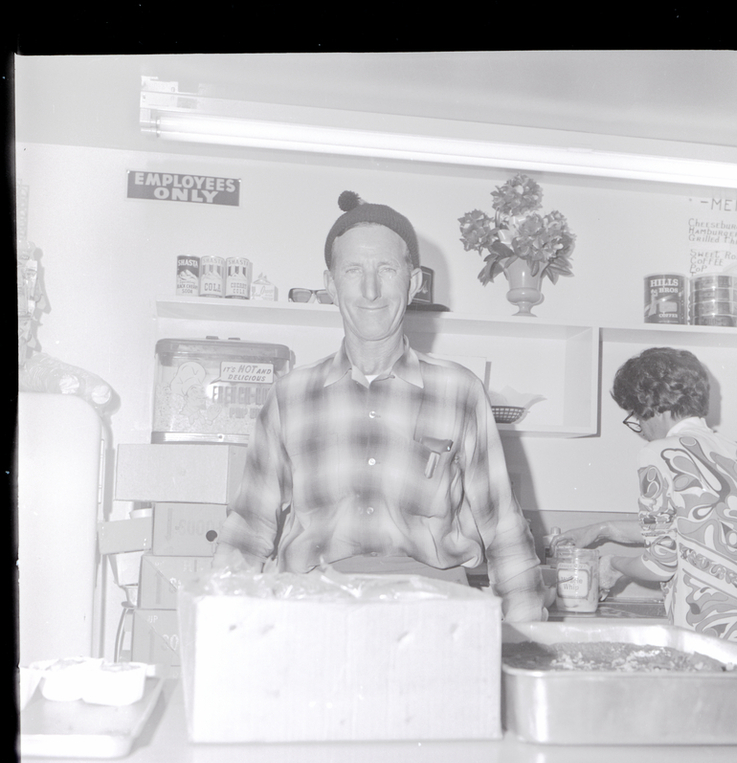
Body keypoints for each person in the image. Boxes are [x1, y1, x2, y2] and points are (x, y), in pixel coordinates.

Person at [213, 191, 545, 624]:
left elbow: (503, 529)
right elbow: (247, 531)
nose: (370, 291)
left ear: (414, 283)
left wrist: (526, 641)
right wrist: (220, 629)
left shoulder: (460, 391)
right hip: (314, 618)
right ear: (331, 285)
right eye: (353, 270)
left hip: (432, 620)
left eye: (386, 269)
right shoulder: (288, 397)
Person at [556, 347, 737, 649]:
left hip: (706, 629)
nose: (641, 429)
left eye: (636, 415)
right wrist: (602, 529)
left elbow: (660, 563)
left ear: (653, 407)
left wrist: (613, 564)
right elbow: (690, 527)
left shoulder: (658, 453)